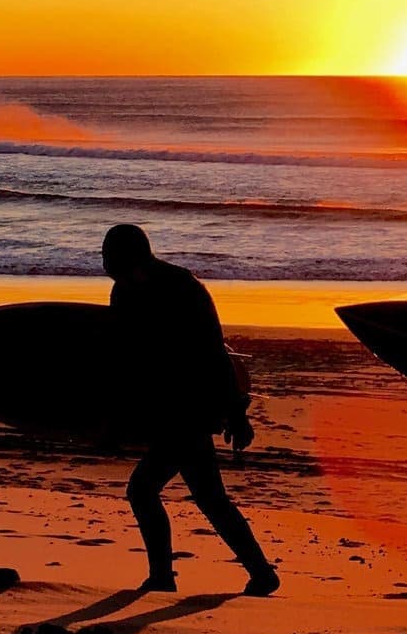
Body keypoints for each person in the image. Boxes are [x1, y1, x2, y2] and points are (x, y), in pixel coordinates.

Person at [101, 224, 279, 596]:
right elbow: (124, 359)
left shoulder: (183, 287)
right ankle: (259, 573)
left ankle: (166, 577)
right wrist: (117, 420)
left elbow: (214, 352)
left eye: (108, 256)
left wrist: (235, 412)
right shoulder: (124, 292)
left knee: (147, 490)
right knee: (206, 497)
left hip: (193, 407)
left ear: (130, 255)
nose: (103, 264)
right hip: (166, 410)